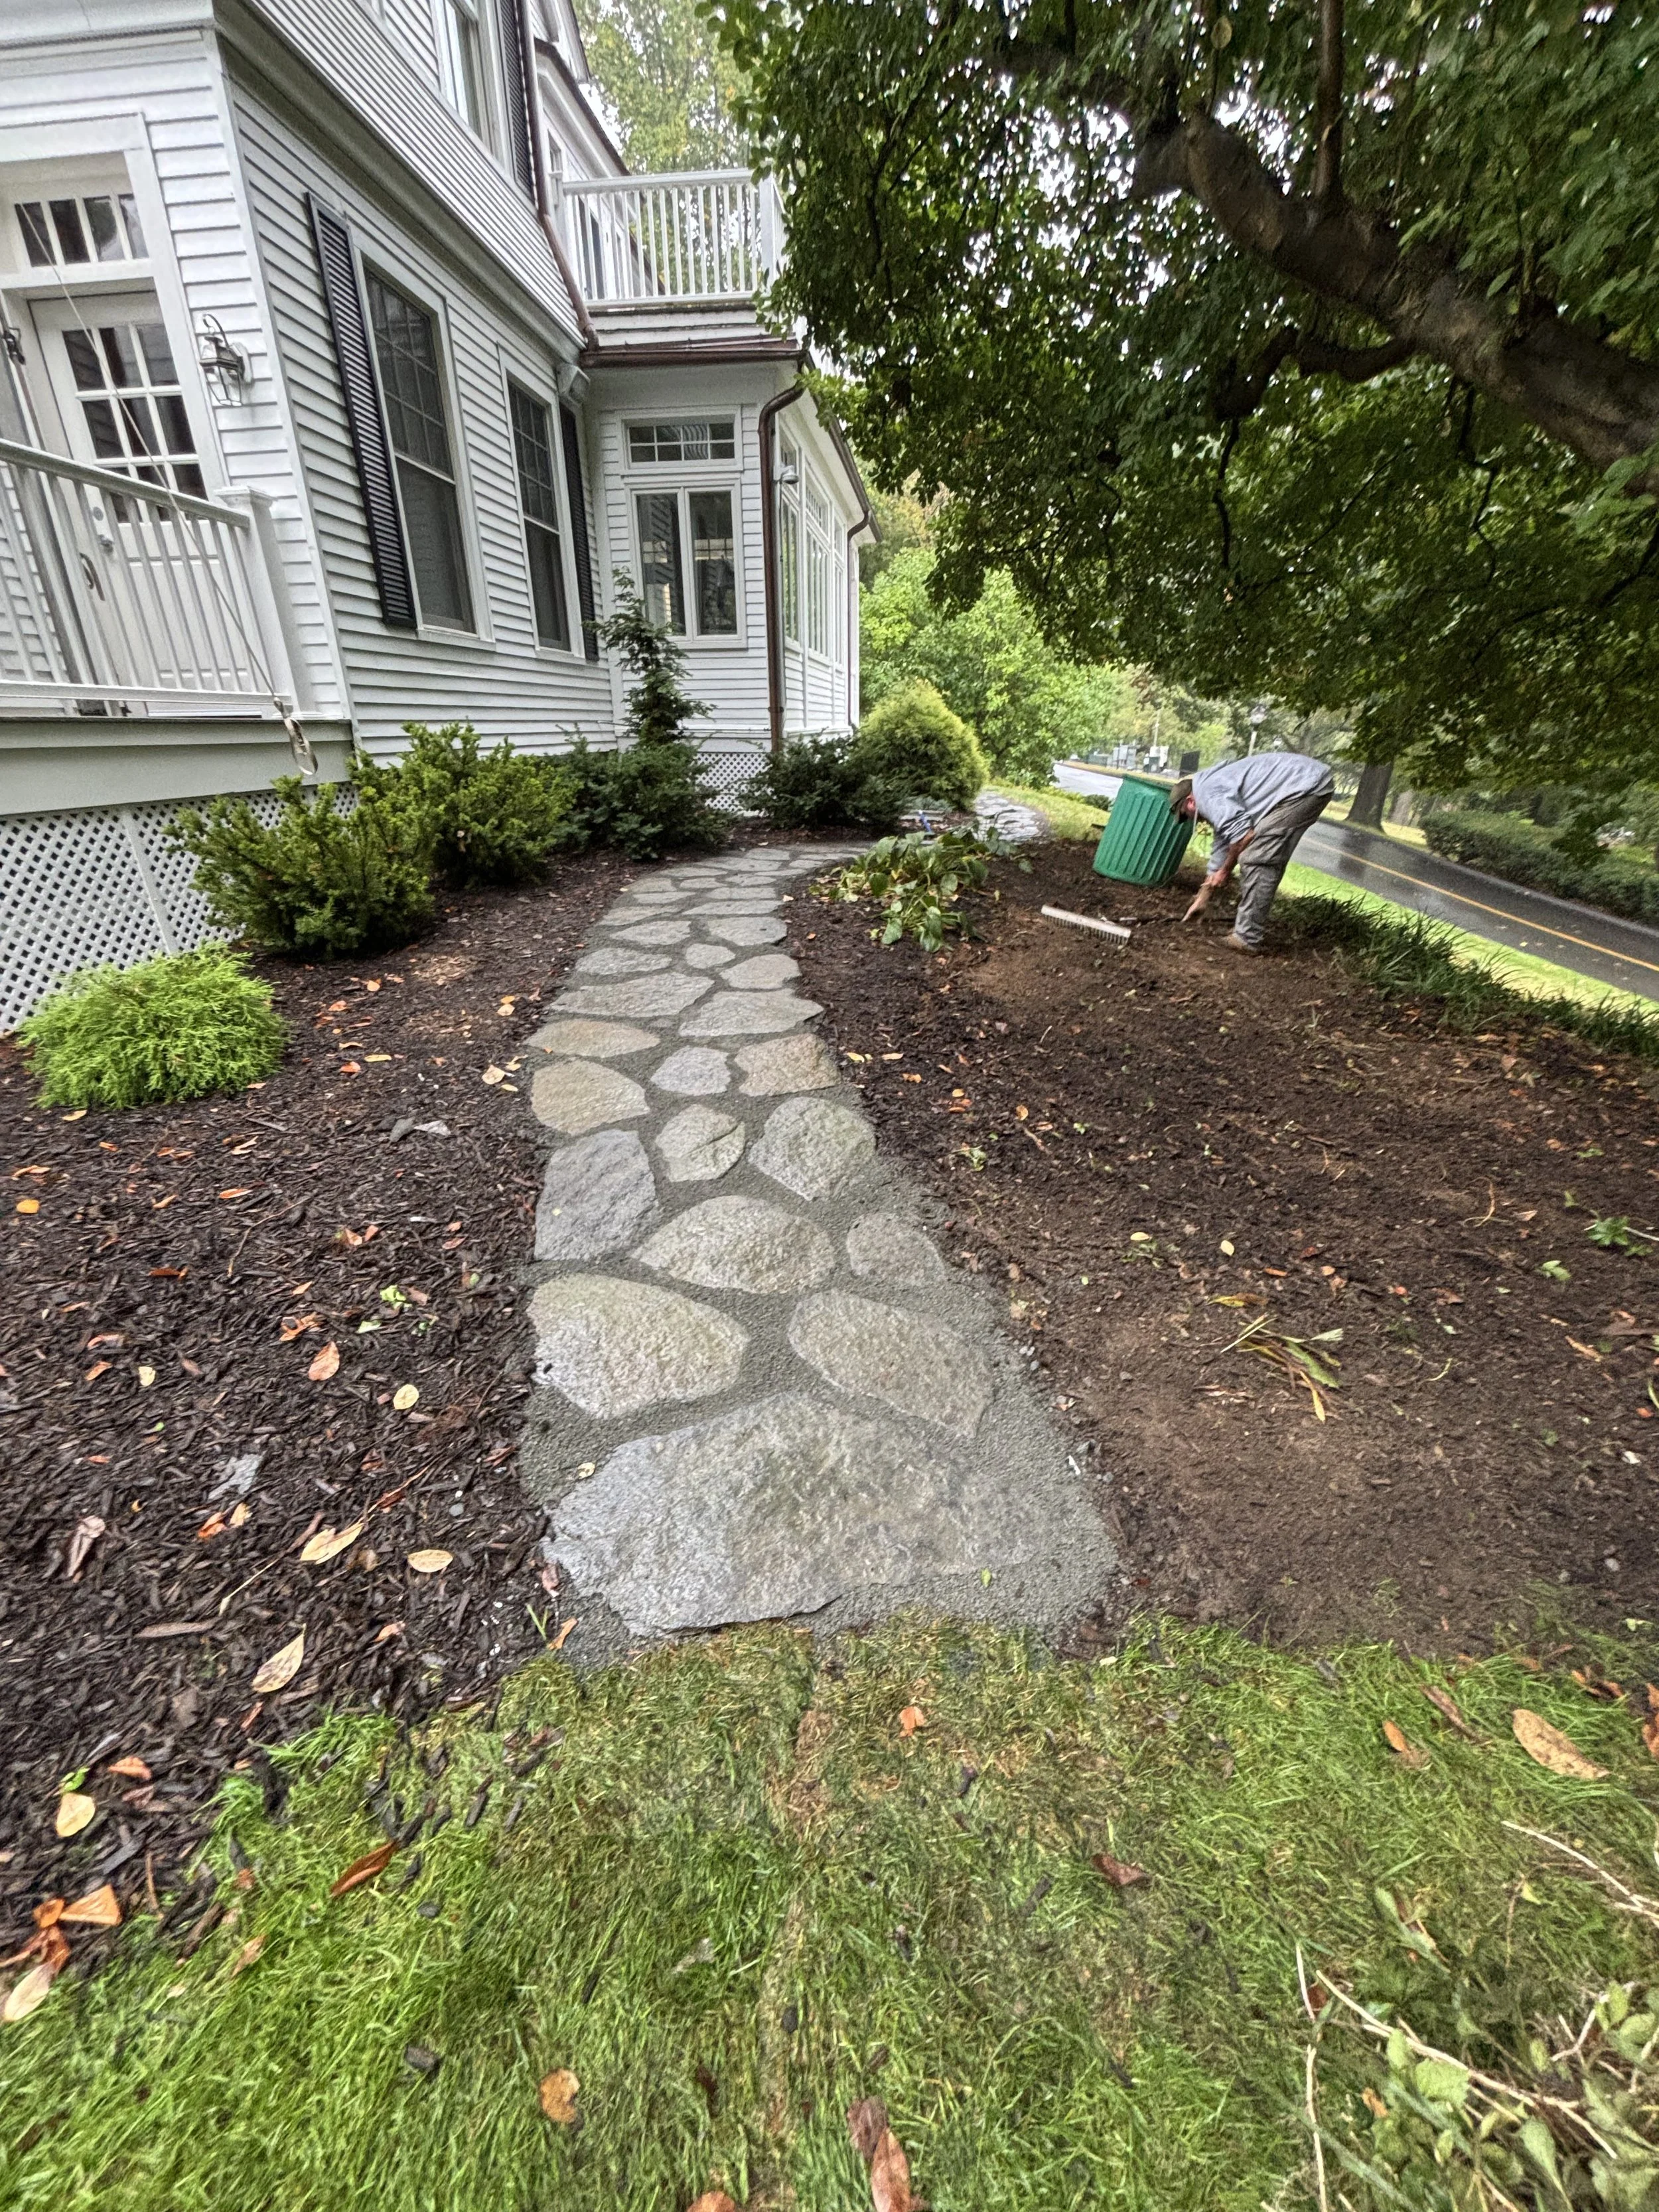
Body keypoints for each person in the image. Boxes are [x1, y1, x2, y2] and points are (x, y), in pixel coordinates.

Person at [1170, 751, 1336, 951]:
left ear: (1190, 803)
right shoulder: (1210, 788)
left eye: (1186, 816)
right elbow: (1223, 842)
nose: (1195, 822)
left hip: (1305, 787)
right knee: (1262, 855)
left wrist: (1225, 872)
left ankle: (1246, 938)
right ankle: (1248, 931)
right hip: (1307, 783)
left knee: (1257, 859)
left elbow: (1243, 837)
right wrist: (1203, 897)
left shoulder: (1207, 794)